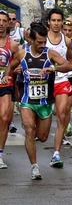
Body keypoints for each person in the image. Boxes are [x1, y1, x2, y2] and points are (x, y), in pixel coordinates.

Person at [2, 22, 72, 179]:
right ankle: (34, 167)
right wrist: (9, 74)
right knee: (29, 130)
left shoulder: (51, 54)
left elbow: (69, 65)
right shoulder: (22, 54)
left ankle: (35, 135)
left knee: (42, 137)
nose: (42, 45)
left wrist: (53, 68)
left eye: (44, 42)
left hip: (45, 103)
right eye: (39, 42)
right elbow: (10, 65)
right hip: (27, 101)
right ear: (31, 40)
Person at [46, 8, 72, 168]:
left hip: (61, 80)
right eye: (54, 20)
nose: (56, 23)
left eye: (59, 20)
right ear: (49, 22)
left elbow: (70, 57)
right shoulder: (41, 38)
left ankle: (56, 153)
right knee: (41, 127)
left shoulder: (66, 41)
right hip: (43, 82)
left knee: (62, 115)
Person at [0, 10, 19, 169]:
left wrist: (16, 70)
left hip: (6, 85)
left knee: (5, 119)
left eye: (4, 21)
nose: (0, 23)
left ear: (8, 23)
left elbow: (20, 62)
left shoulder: (13, 44)